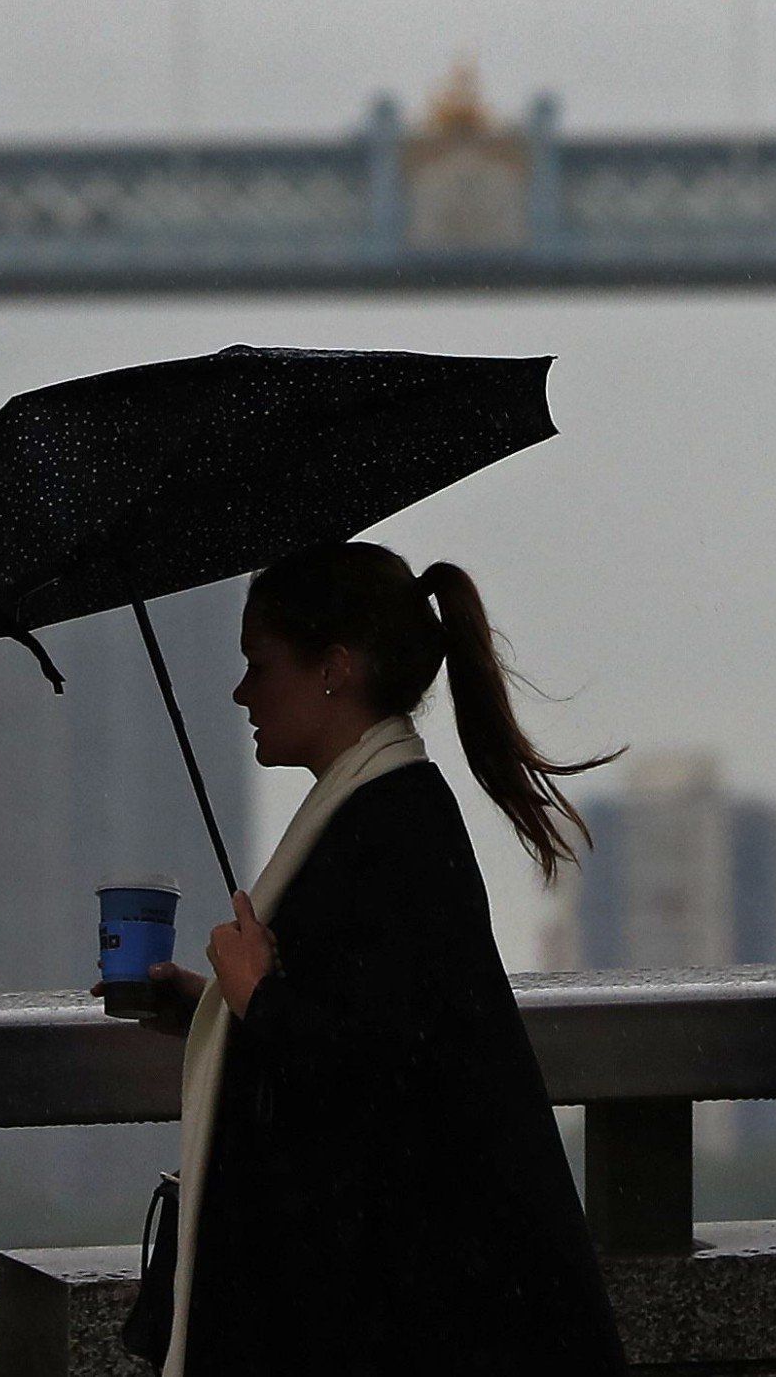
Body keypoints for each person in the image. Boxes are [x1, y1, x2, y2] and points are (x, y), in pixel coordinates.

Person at [128, 542, 627, 1377]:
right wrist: (211, 1005)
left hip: (416, 1310)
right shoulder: (380, 813)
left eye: (260, 664)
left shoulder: (389, 829)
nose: (242, 692)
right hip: (419, 1300)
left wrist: (258, 998)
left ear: (335, 669)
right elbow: (375, 1022)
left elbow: (382, 1066)